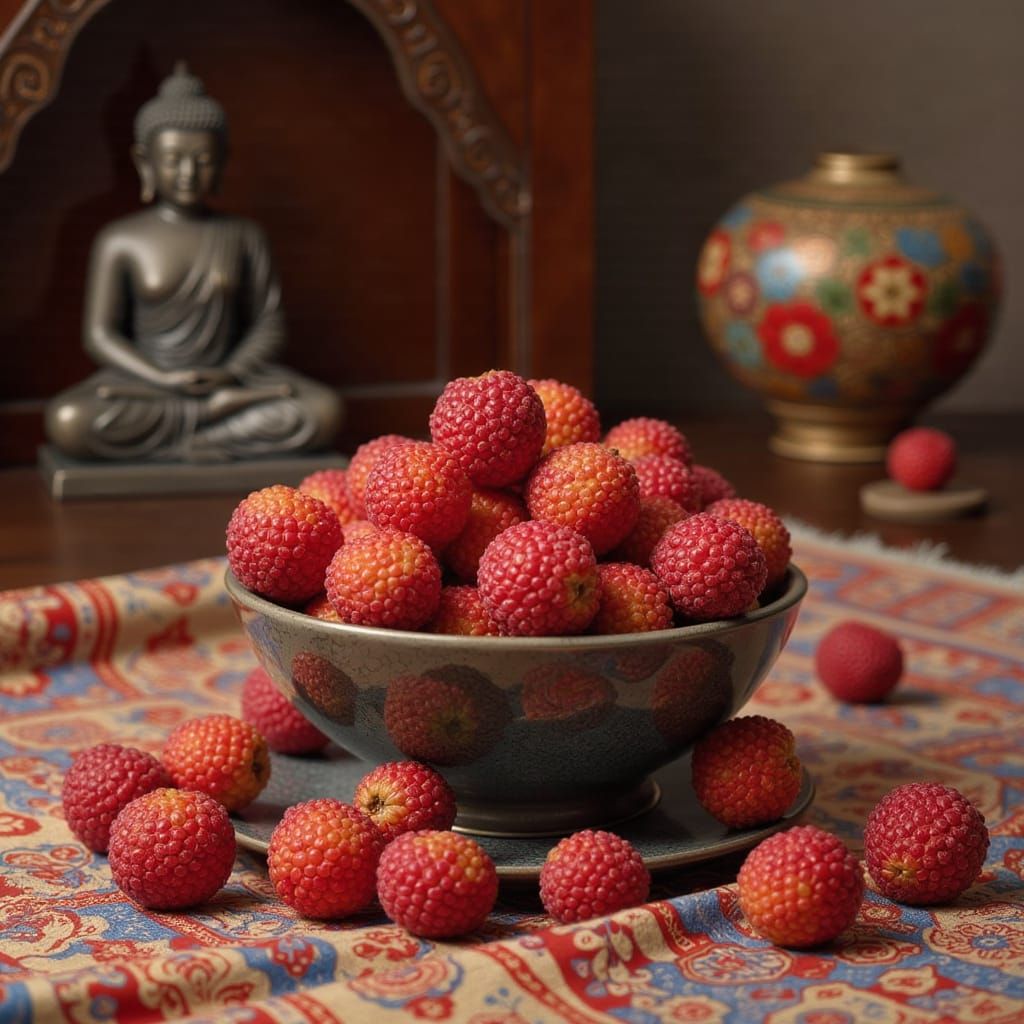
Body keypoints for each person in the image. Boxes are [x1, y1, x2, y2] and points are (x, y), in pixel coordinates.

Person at [45, 62, 341, 462]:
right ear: (144, 162)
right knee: (69, 419)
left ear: (222, 161)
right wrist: (162, 377)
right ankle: (215, 428)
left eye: (202, 160)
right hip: (149, 384)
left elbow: (269, 324)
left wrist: (229, 374)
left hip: (228, 380)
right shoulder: (120, 239)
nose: (188, 172)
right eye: (174, 159)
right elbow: (100, 335)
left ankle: (203, 435)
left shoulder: (243, 236)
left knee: (323, 411)